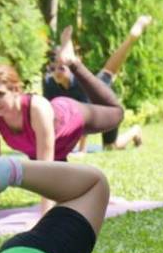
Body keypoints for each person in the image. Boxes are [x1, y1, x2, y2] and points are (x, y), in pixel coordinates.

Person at [0, 26, 124, 219]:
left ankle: (73, 63)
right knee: (69, 191)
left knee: (117, 114)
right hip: (56, 152)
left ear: (17, 90)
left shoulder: (37, 108)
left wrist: (45, 217)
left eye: (0, 94)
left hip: (71, 117)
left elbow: (46, 166)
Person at [43, 15, 151, 152]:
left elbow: (85, 117)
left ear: (69, 70)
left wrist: (82, 151)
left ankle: (135, 131)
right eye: (54, 67)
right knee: (108, 73)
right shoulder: (49, 83)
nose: (57, 71)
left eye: (61, 67)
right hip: (93, 86)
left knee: (110, 147)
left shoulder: (80, 85)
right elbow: (48, 114)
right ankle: (131, 38)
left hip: (106, 107)